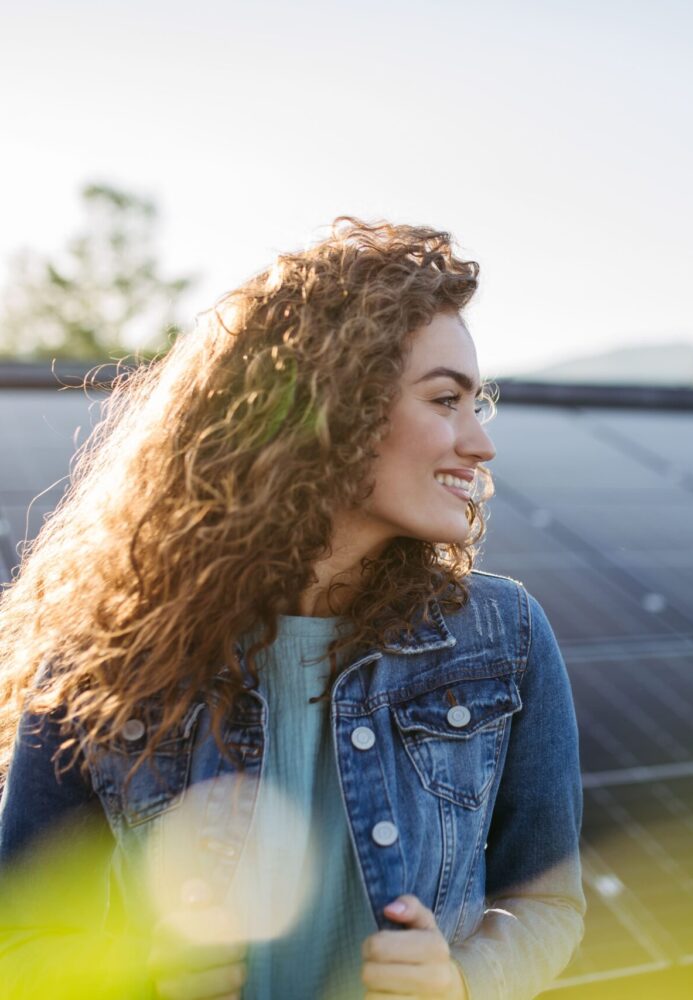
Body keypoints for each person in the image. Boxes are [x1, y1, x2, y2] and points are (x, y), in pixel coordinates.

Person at [0, 218, 585, 999]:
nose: (481, 443)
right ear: (332, 406)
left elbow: (546, 903)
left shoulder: (503, 636)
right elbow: (21, 938)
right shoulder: (104, 661)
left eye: (478, 404)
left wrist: (464, 981)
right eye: (446, 399)